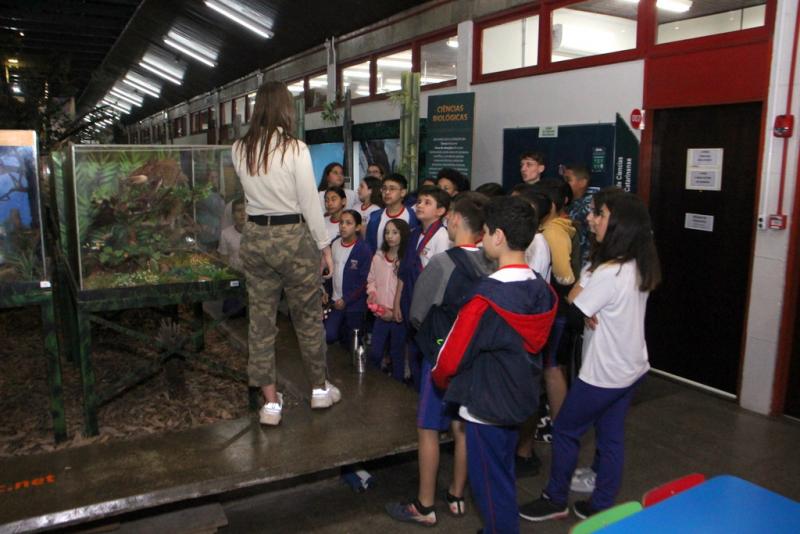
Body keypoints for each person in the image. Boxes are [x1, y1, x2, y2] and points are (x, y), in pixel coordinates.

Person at [519, 193, 661, 522]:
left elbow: (572, 308)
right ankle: (601, 503)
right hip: (631, 366)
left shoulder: (610, 271)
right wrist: (582, 300)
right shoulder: (632, 262)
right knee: (610, 436)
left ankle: (555, 498)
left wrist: (581, 302)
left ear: (620, 224)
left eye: (599, 214)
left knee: (566, 429)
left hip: (605, 372)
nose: (591, 218)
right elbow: (577, 300)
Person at [432, 196, 557, 534]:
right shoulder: (540, 288)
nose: (482, 237)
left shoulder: (484, 298)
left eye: (485, 232)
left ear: (498, 236)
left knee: (488, 485)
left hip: (486, 403)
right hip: (519, 396)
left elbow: (451, 358)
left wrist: (440, 378)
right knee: (503, 472)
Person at [233, 81, 340, 427]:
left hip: (255, 237)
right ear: (284, 108)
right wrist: (324, 246)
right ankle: (319, 389)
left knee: (261, 323)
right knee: (307, 318)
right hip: (293, 237)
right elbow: (309, 202)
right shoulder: (295, 148)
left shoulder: (239, 148)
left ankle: (270, 405)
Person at [385, 192, 494, 527]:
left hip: (441, 357)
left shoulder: (444, 263)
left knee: (429, 427)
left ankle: (425, 504)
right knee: (463, 427)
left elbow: (419, 312)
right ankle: (457, 496)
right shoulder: (493, 263)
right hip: (476, 358)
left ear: (456, 220)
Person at [396, 185, 451, 388]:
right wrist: (397, 302)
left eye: (427, 203)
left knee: (425, 350)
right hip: (409, 295)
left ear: (440, 211)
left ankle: (425, 391)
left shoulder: (442, 236)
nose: (420, 205)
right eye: (419, 201)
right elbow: (404, 271)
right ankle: (415, 388)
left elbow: (440, 278)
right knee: (411, 346)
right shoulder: (414, 234)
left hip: (428, 303)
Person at [367, 219, 411, 383]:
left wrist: (395, 311)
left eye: (395, 232)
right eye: (387, 232)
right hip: (380, 313)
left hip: (398, 315)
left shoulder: (406, 260)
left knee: (397, 354)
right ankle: (373, 383)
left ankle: (397, 387)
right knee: (376, 352)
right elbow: (371, 280)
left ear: (403, 235)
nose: (390, 236)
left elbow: (408, 289)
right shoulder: (378, 257)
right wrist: (372, 293)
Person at [323, 210, 371, 347]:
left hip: (354, 304)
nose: (343, 226)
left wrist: (347, 299)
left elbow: (363, 281)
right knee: (329, 335)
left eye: (348, 223)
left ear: (358, 227)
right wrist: (326, 291)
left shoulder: (364, 249)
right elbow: (329, 271)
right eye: (341, 223)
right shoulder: (334, 244)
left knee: (352, 342)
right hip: (335, 300)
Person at [365, 173, 419, 252]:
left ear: (403, 192)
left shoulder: (414, 216)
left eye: (392, 189)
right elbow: (369, 246)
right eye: (384, 188)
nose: (387, 192)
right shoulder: (374, 217)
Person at [564, 164, 593, 264]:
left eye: (568, 180)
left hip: (585, 261)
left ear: (582, 182)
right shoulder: (567, 204)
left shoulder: (590, 206)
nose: (564, 184)